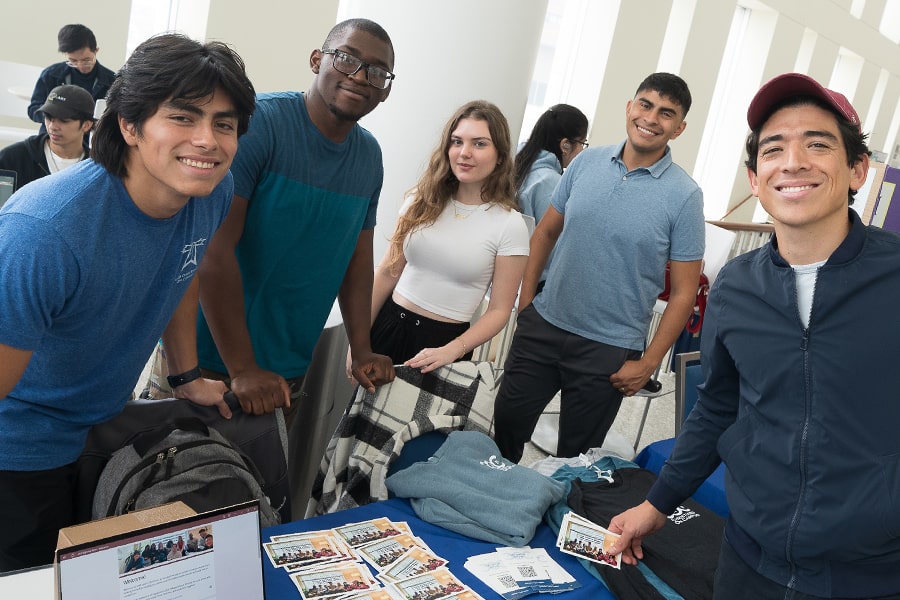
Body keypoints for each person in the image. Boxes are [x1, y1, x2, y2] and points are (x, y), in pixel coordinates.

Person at [608, 73, 900, 599]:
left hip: (870, 576)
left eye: (818, 143)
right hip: (748, 563)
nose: (793, 161)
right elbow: (718, 408)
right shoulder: (736, 288)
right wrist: (657, 504)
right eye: (774, 149)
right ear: (755, 178)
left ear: (857, 169)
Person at [0, 33, 256, 572]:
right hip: (21, 452)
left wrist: (185, 375)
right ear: (129, 125)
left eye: (224, 123)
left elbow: (182, 274)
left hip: (102, 432)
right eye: (183, 118)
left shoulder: (207, 193)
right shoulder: (45, 231)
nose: (207, 140)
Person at [157, 18, 397, 428]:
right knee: (166, 485)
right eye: (346, 59)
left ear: (386, 88)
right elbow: (213, 252)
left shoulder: (369, 155)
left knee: (255, 490)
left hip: (286, 368)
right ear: (317, 59)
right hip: (206, 362)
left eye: (377, 71)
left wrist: (361, 349)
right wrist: (243, 368)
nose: (360, 77)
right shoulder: (261, 125)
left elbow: (356, 260)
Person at [493, 73, 705, 463]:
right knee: (502, 433)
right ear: (629, 107)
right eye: (645, 104)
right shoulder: (586, 162)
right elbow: (543, 234)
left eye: (666, 113)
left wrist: (648, 362)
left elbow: (684, 294)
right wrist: (526, 307)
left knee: (574, 462)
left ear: (679, 127)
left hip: (610, 350)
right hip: (544, 326)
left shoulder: (685, 196)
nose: (652, 118)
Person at [357, 100, 529, 375]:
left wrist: (454, 349)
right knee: (361, 417)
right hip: (386, 327)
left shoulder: (510, 225)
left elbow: (499, 310)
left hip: (444, 346)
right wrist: (358, 341)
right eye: (457, 141)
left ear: (500, 155)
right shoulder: (421, 199)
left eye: (479, 143)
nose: (465, 152)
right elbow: (388, 272)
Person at [513, 103, 588, 289]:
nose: (582, 151)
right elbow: (556, 248)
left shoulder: (517, 170)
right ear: (565, 145)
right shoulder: (551, 183)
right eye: (583, 143)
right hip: (538, 283)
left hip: (511, 277)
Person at [0, 85, 95, 190]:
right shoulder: (12, 158)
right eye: (48, 117)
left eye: (63, 120)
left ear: (86, 125)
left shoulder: (95, 169)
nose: (52, 126)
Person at [27, 24, 115, 136]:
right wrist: (55, 117)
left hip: (91, 141)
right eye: (73, 61)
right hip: (53, 139)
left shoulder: (111, 81)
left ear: (96, 51)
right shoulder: (51, 75)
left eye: (86, 60)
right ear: (66, 55)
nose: (80, 65)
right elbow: (33, 110)